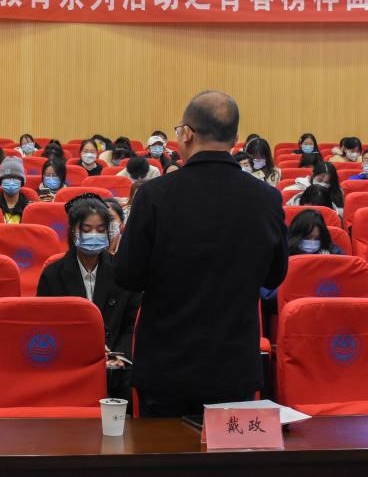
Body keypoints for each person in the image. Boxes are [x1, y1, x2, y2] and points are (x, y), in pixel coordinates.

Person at [116, 91, 287, 417]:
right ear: (235, 139)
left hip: (167, 364)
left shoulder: (154, 195)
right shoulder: (266, 198)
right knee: (227, 450)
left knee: (166, 449)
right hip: (233, 365)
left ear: (186, 134)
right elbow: (274, 275)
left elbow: (128, 275)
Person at [38, 195, 141, 398]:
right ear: (73, 231)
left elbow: (131, 324)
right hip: (68, 362)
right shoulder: (52, 274)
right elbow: (45, 325)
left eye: (100, 230)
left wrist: (120, 356)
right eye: (86, 229)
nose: (94, 235)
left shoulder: (122, 272)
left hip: (115, 365)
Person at [0, 157, 30, 223]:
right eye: (7, 178)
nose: (11, 182)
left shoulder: (30, 208)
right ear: (1, 181)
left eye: (15, 178)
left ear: (22, 181)